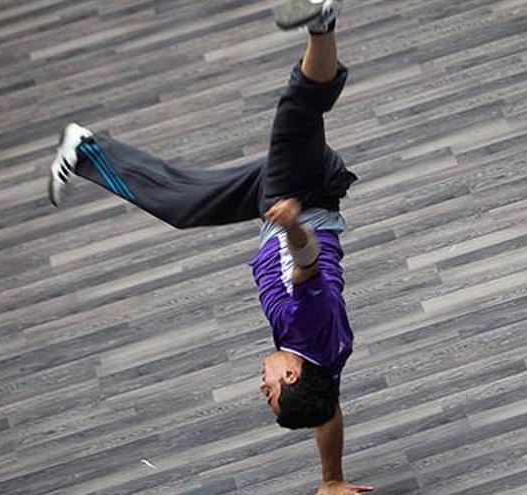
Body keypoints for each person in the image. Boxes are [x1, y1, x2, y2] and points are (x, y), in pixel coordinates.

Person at [48, 1, 372, 493]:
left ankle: (87, 149)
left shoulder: (321, 368)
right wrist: (291, 226)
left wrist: (332, 480)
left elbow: (326, 411)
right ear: (289, 375)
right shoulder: (305, 328)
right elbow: (308, 267)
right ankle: (322, 18)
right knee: (299, 108)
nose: (261, 387)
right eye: (268, 394)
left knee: (185, 206)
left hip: (281, 204)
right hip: (298, 198)